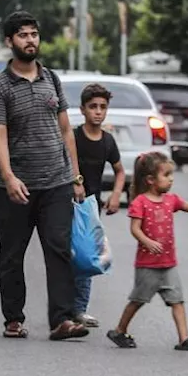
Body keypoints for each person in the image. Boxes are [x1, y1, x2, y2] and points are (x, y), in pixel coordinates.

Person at [0, 11, 88, 342]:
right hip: (16, 186)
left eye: (34, 34)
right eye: (24, 35)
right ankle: (13, 318)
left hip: (56, 181)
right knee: (12, 253)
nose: (31, 40)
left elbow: (65, 129)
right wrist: (10, 177)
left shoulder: (51, 79)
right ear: (9, 42)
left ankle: (62, 319)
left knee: (58, 248)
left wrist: (76, 175)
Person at [105, 152, 188, 351]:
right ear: (150, 180)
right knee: (138, 300)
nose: (171, 179)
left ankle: (184, 338)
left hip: (168, 264)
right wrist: (147, 241)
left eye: (171, 175)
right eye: (166, 175)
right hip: (147, 265)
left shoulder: (171, 200)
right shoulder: (140, 202)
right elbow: (135, 229)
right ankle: (119, 330)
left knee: (177, 301)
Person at [72, 84, 126, 328]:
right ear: (83, 110)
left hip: (91, 209)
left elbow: (120, 171)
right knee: (68, 255)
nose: (98, 112)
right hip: (68, 203)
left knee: (88, 256)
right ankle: (65, 308)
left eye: (103, 107)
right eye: (93, 107)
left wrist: (115, 195)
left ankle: (80, 309)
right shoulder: (74, 137)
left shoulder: (107, 141)